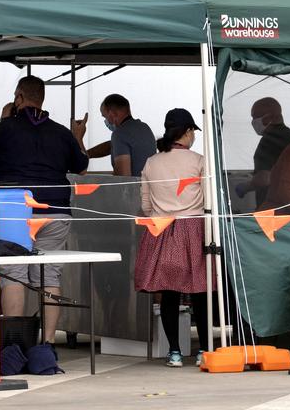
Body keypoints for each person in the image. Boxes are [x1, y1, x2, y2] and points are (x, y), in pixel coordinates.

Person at [0, 76, 89, 344]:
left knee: (14, 273)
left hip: (16, 213)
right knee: (49, 274)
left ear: (19, 97)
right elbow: (81, 166)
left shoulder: (7, 128)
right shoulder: (61, 132)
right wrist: (78, 137)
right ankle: (47, 343)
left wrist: (3, 120)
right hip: (55, 211)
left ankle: (14, 344)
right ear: (43, 98)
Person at [135, 108, 210, 368]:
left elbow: (145, 205)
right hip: (195, 228)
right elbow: (210, 200)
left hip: (161, 228)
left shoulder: (151, 162)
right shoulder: (200, 161)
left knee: (169, 293)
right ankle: (204, 351)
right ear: (188, 132)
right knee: (201, 291)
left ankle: (175, 353)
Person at [244, 98, 290, 208]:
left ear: (267, 118)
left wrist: (246, 186)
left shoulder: (268, 142)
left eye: (254, 117)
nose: (252, 122)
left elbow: (265, 178)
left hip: (272, 210)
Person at [85, 93, 157, 176]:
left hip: (135, 188)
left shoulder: (119, 134)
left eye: (105, 117)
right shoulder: (144, 128)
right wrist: (85, 154)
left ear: (112, 114)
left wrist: (78, 136)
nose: (106, 121)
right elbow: (110, 146)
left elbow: (123, 179)